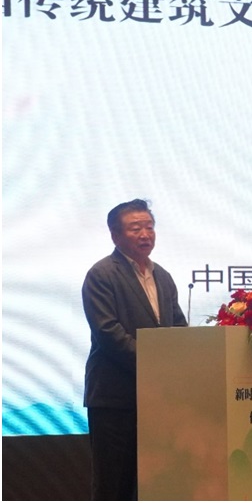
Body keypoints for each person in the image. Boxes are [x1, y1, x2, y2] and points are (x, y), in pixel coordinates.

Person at [82, 199, 187, 500]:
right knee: (115, 483)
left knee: (156, 481)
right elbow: (108, 333)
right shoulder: (102, 274)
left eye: (149, 227)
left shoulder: (162, 276)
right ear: (115, 235)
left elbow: (177, 327)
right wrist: (155, 366)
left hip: (159, 398)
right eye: (135, 228)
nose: (145, 234)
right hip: (116, 397)